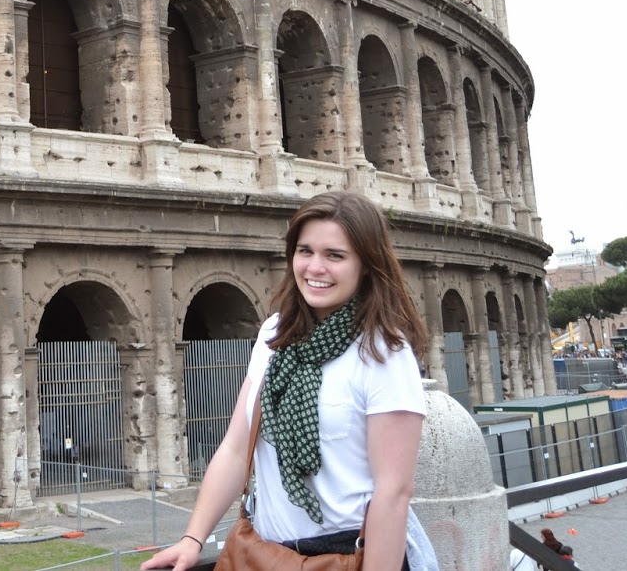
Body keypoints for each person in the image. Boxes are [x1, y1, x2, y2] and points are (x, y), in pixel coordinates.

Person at [140, 191, 436, 571]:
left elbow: (393, 493)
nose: (315, 267)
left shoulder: (383, 353)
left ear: (367, 264)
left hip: (346, 555)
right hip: (265, 552)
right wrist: (192, 539)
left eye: (335, 255)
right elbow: (236, 450)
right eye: (305, 251)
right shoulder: (274, 335)